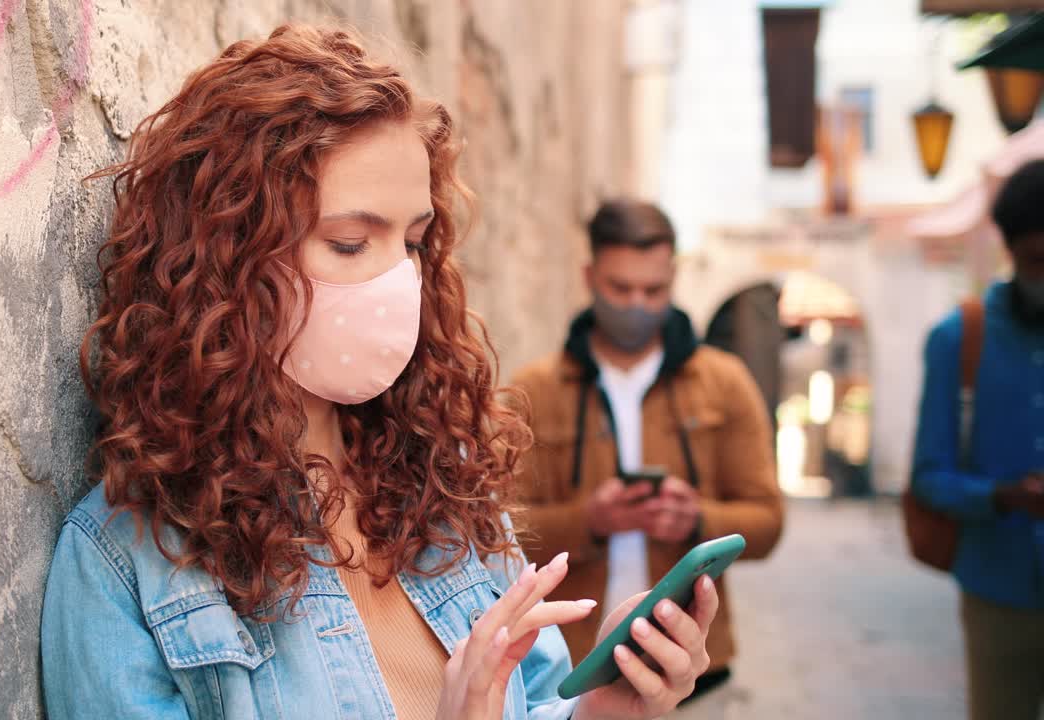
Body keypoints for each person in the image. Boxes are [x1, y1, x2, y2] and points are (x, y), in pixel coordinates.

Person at [40, 25, 719, 720]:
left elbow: (537, 699)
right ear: (228, 256)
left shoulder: (444, 488)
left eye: (415, 242)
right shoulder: (126, 561)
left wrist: (604, 706)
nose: (401, 280)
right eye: (350, 242)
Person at [513, 198, 784, 707]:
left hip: (693, 671)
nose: (637, 304)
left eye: (653, 290)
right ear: (590, 277)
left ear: (673, 278)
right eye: (620, 288)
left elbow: (768, 522)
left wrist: (697, 520)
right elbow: (499, 534)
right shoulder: (533, 391)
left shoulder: (725, 382)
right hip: (569, 679)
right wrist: (589, 522)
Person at [912, 158, 1044, 720]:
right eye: (1039, 260)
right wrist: (1002, 496)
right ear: (1011, 251)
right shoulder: (958, 339)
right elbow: (928, 477)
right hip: (997, 590)